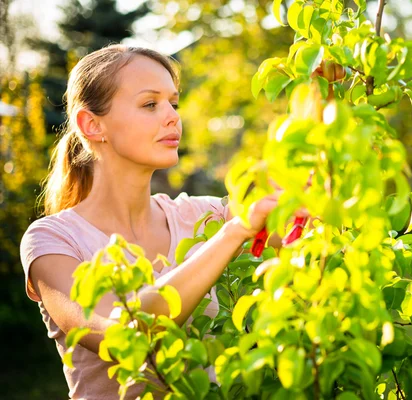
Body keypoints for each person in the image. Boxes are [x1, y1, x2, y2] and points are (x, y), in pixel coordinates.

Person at [19, 45, 293, 399]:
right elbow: (121, 336)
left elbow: (314, 233)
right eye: (151, 104)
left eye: (173, 104)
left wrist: (323, 97)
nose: (173, 117)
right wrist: (235, 232)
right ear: (92, 124)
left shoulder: (203, 217)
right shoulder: (52, 241)